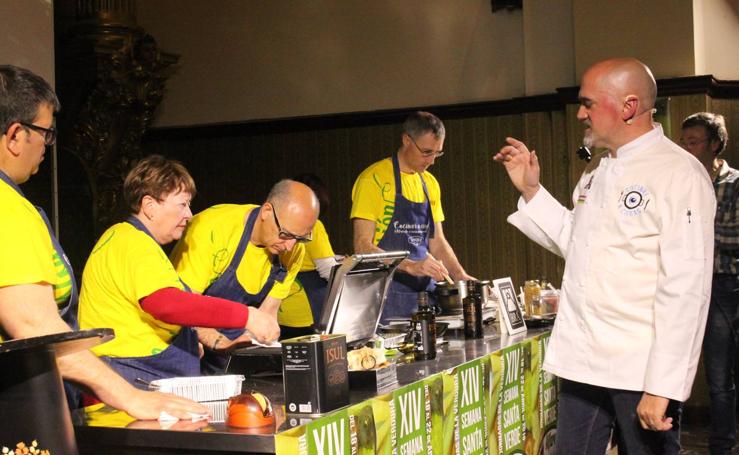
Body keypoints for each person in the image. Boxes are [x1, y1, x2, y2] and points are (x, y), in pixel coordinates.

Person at [493, 58, 716, 453]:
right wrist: (531, 191)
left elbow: (686, 290)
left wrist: (662, 386)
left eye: (588, 103)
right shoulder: (597, 170)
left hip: (639, 368)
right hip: (583, 361)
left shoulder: (678, 173)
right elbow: (578, 244)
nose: (580, 113)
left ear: (628, 106)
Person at [0, 64, 206, 420]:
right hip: (17, 410)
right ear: (15, 134)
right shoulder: (8, 209)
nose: (47, 147)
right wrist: (133, 398)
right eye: (46, 134)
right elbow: (35, 328)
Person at [78, 155, 280, 385]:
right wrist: (247, 315)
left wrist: (203, 342)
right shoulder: (132, 243)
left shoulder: (129, 240)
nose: (189, 215)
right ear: (149, 206)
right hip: (132, 375)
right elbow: (168, 304)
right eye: (182, 204)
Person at [351, 111, 473, 323]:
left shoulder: (430, 184)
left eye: (437, 153)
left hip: (426, 296)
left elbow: (438, 243)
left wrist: (459, 275)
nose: (432, 161)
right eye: (426, 152)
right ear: (407, 139)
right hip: (386, 296)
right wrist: (411, 266)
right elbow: (362, 246)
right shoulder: (373, 180)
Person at [171, 179, 319, 352]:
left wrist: (263, 340)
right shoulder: (212, 229)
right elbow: (183, 307)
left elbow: (268, 312)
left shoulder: (293, 249)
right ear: (266, 211)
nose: (290, 246)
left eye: (300, 238)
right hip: (188, 344)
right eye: (285, 234)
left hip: (237, 346)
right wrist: (223, 344)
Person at [680, 112, 737, 454]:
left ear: (714, 144)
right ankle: (721, 446)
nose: (686, 148)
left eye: (694, 142)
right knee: (716, 379)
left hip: (729, 284)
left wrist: (696, 232)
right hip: (694, 288)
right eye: (683, 142)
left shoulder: (735, 183)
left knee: (724, 375)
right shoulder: (683, 182)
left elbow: (734, 234)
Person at [278, 173, 341, 338]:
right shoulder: (314, 225)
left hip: (284, 308)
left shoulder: (282, 223)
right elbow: (329, 271)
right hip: (307, 309)